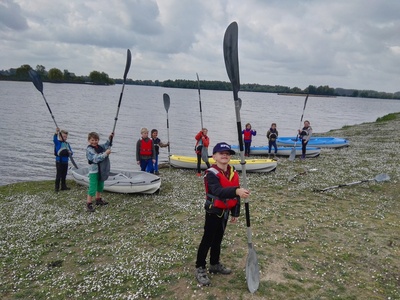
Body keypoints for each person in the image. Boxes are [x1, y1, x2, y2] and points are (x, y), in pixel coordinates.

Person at [195, 142, 250, 286]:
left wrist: (235, 212)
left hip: (225, 212)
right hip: (214, 211)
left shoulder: (232, 172)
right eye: (222, 153)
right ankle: (200, 267)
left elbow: (235, 195)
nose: (225, 155)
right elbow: (217, 191)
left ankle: (214, 264)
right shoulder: (211, 174)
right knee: (207, 239)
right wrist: (236, 191)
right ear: (214, 157)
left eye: (228, 153)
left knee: (218, 239)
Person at [86, 131, 113, 212]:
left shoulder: (100, 147)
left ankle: (98, 199)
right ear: (89, 141)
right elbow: (95, 158)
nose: (94, 142)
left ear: (98, 140)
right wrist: (105, 154)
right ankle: (89, 203)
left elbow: (106, 145)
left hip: (101, 170)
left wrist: (110, 138)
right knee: (92, 187)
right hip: (93, 171)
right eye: (92, 140)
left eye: (96, 140)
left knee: (100, 185)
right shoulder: (89, 150)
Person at [53, 127, 73, 192]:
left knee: (64, 174)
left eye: (65, 137)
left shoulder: (67, 144)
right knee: (58, 175)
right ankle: (56, 188)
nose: (64, 138)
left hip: (65, 162)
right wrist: (56, 132)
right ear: (60, 136)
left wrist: (70, 152)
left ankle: (63, 186)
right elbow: (54, 139)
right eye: (63, 136)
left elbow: (71, 152)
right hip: (59, 162)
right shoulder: (57, 143)